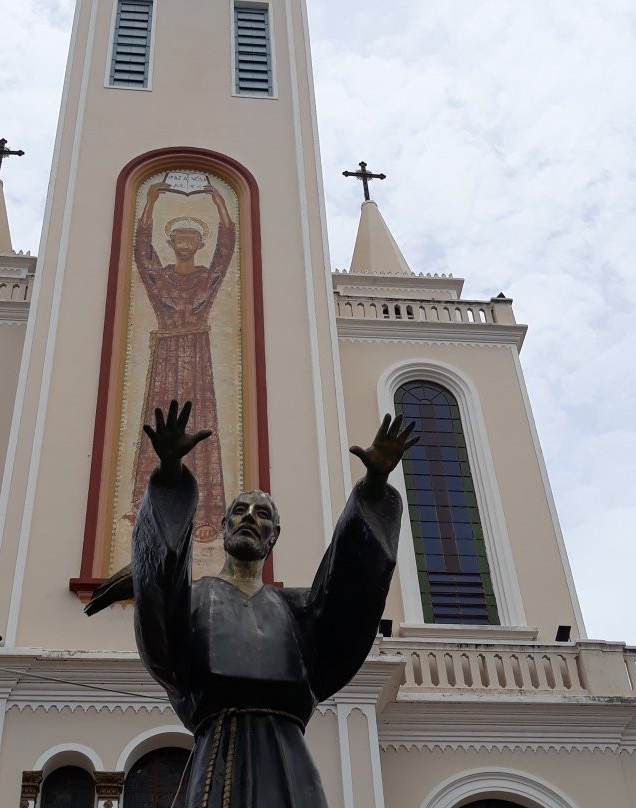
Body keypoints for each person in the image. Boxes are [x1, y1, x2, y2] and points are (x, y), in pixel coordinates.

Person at [131, 399, 417, 808]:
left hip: (290, 764)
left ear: (274, 536)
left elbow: (349, 593)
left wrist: (373, 485)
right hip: (218, 760)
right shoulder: (195, 600)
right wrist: (171, 475)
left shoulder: (299, 611)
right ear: (225, 526)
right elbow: (159, 597)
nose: (250, 518)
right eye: (239, 512)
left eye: (262, 514)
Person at [131, 182, 235, 541]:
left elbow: (226, 252)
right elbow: (142, 255)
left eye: (192, 237)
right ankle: (147, 504)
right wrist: (149, 203)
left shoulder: (208, 278)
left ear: (199, 244)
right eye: (179, 238)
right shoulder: (160, 277)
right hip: (166, 357)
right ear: (172, 243)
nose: (185, 242)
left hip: (197, 355)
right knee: (158, 426)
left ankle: (206, 514)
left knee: (200, 426)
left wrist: (222, 206)